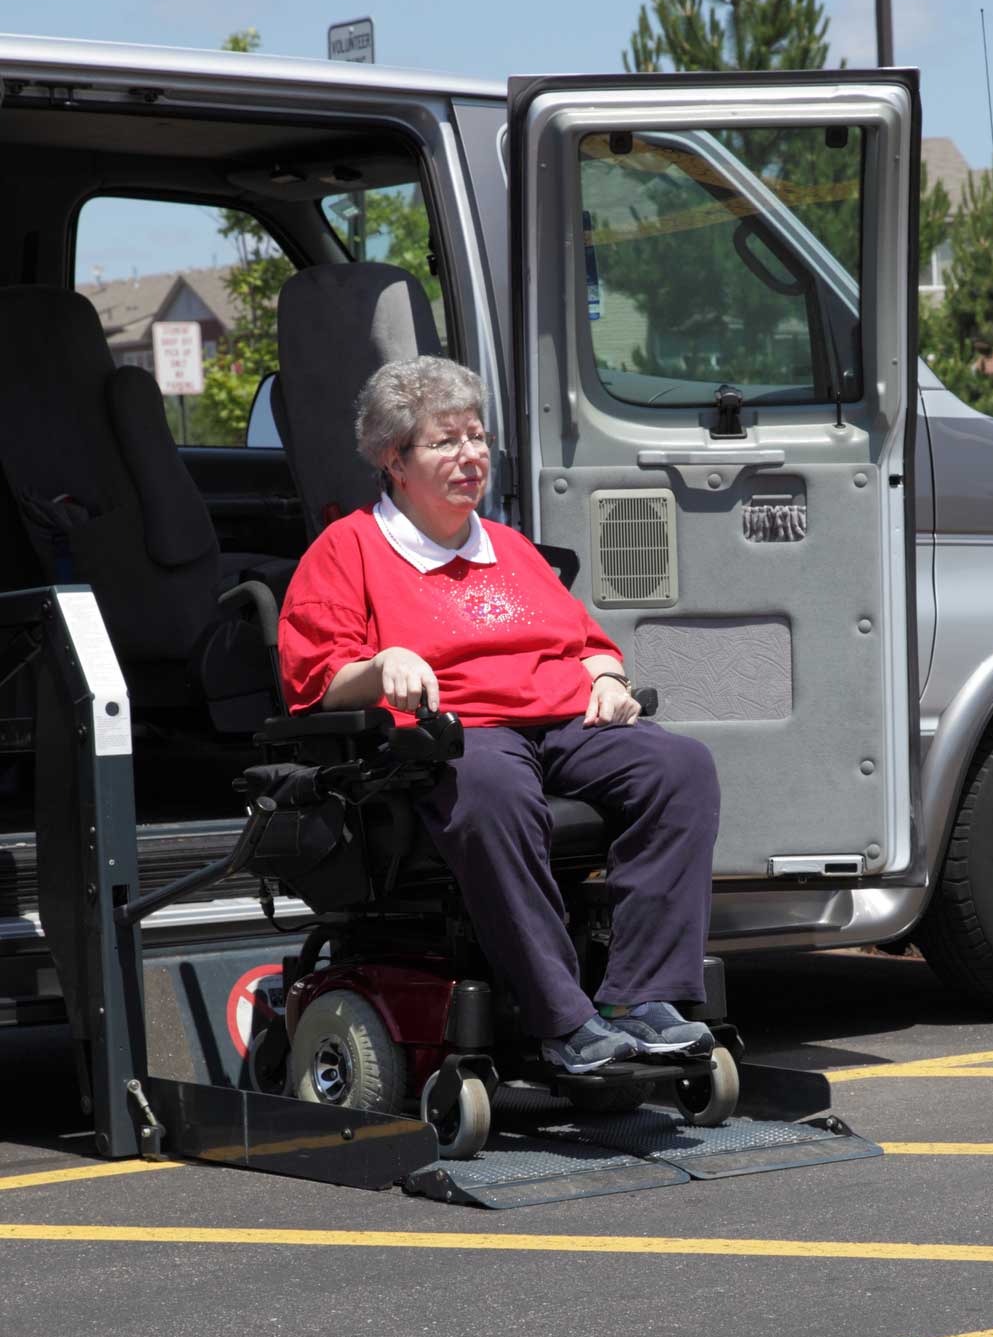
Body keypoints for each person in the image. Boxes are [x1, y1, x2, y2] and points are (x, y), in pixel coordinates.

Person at [277, 355, 721, 1073]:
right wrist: (383, 665)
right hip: (458, 731)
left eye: (477, 437)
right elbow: (317, 680)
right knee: (491, 784)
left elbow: (588, 644)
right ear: (395, 459)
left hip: (562, 720)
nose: (471, 455)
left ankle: (641, 997)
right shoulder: (349, 549)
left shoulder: (508, 547)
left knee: (679, 766)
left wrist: (610, 678)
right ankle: (562, 1018)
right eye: (445, 441)